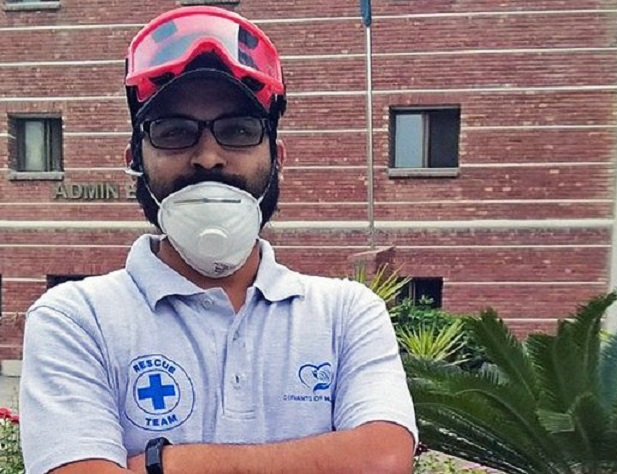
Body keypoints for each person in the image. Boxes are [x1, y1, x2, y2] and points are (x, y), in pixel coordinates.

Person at [19, 6, 417, 474]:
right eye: (174, 132)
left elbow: (383, 458)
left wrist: (168, 463)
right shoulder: (75, 319)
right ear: (134, 159)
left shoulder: (345, 314)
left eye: (238, 131)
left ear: (277, 156)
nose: (208, 156)